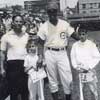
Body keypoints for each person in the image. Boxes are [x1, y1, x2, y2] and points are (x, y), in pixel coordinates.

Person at [37, 2, 79, 100]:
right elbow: (40, 43)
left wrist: (88, 41)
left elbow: (75, 35)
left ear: (57, 12)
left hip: (62, 52)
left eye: (54, 11)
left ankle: (68, 98)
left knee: (67, 78)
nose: (52, 13)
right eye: (49, 11)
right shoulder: (44, 26)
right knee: (52, 79)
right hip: (49, 53)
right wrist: (40, 56)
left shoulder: (64, 24)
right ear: (47, 13)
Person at [0, 15, 29, 100]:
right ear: (12, 22)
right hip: (12, 65)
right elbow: (2, 53)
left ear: (23, 23)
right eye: (16, 21)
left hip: (25, 65)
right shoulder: (6, 36)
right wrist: (2, 68)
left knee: (25, 90)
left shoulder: (26, 35)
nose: (18, 23)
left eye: (20, 21)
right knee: (13, 91)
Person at [70, 29, 100, 100]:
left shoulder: (91, 44)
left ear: (86, 35)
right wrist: (76, 67)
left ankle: (95, 97)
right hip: (79, 70)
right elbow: (73, 57)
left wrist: (89, 67)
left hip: (89, 69)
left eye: (83, 34)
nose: (81, 36)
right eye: (80, 34)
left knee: (93, 87)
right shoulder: (75, 45)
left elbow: (97, 57)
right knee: (80, 88)